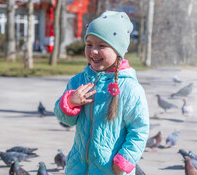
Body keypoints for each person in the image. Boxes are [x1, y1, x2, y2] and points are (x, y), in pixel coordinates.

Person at [54, 11, 150, 175]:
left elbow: (139, 130)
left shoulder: (130, 88)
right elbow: (66, 121)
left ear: (118, 50)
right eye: (89, 44)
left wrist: (124, 160)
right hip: (78, 168)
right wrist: (70, 102)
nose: (94, 51)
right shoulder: (79, 81)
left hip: (112, 170)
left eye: (102, 45)